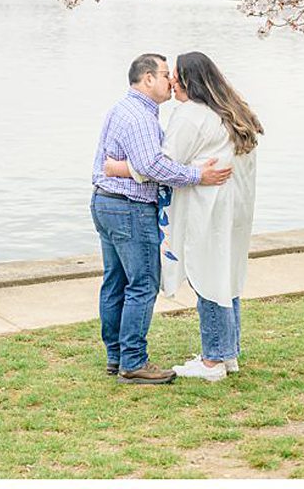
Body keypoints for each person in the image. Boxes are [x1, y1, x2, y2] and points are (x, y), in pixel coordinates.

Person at [91, 52, 233, 384]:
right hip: (129, 208)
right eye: (165, 74)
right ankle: (133, 362)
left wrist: (118, 169)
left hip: (106, 203)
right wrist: (197, 175)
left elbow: (139, 163)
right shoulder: (140, 118)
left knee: (115, 283)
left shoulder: (122, 109)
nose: (171, 81)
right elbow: (154, 166)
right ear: (147, 79)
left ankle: (117, 356)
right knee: (142, 285)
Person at [160, 51, 263, 383]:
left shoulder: (191, 115)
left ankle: (212, 362)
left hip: (208, 211)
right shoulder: (234, 114)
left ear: (191, 79)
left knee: (207, 277)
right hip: (236, 211)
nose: (171, 81)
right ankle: (227, 353)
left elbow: (166, 163)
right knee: (227, 276)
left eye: (175, 75)